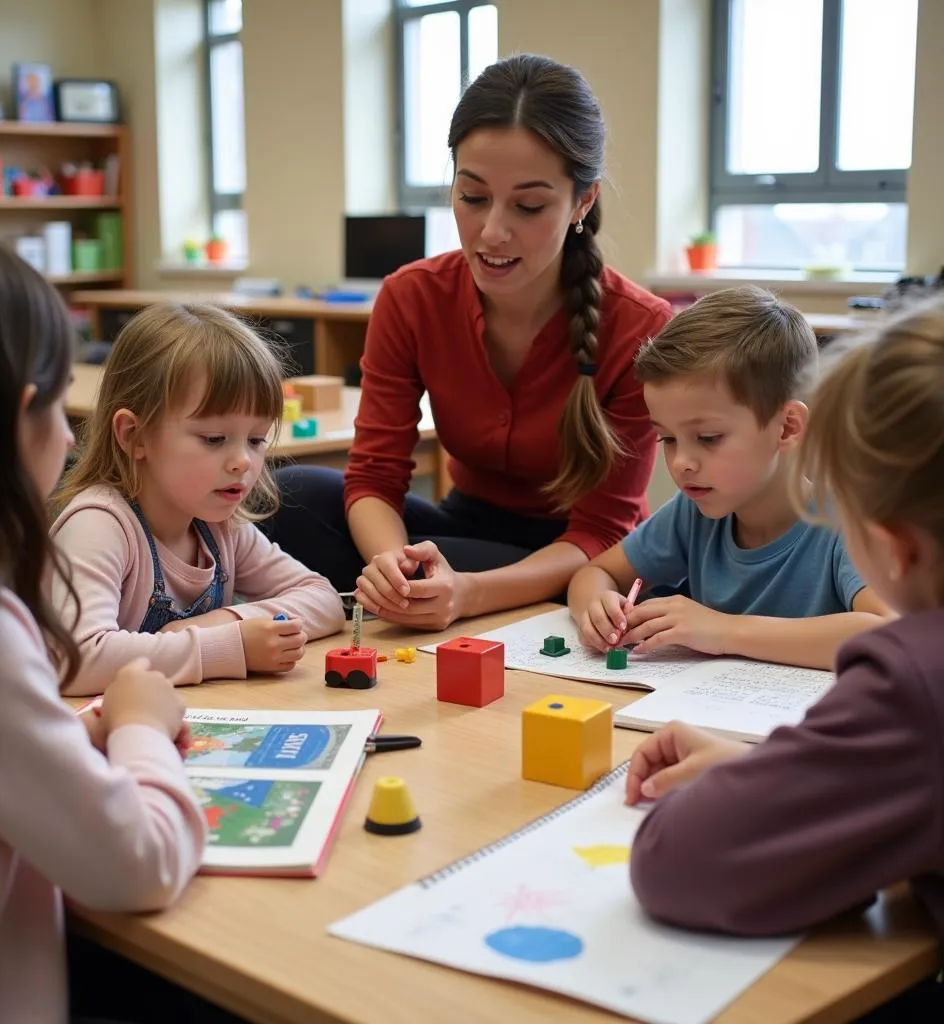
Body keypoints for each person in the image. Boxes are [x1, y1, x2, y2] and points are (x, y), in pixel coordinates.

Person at [266, 54, 672, 631]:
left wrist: (469, 594)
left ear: (582, 202)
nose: (493, 231)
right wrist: (389, 566)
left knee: (588, 588)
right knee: (292, 495)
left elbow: (603, 529)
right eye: (473, 197)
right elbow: (376, 477)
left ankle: (475, 605)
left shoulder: (639, 326)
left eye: (529, 206)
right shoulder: (411, 297)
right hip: (464, 532)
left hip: (581, 562)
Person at [0, 215, 207, 1022]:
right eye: (60, 409)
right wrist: (142, 725)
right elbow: (139, 864)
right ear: (22, 417)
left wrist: (73, 737)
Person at [626, 297, 944, 1020]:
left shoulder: (914, 676)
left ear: (890, 542)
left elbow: (677, 864)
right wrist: (770, 774)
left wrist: (759, 788)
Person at [567, 287, 890, 670]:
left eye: (708, 438)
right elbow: (595, 572)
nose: (682, 463)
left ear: (786, 428)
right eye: (667, 439)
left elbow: (889, 636)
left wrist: (724, 631)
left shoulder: (845, 521)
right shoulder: (694, 511)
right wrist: (598, 607)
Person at [51, 304, 343, 697]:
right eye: (214, 439)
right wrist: (231, 645)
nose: (243, 461)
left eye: (256, 440)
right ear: (134, 435)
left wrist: (222, 621)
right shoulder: (98, 524)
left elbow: (324, 599)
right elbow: (77, 659)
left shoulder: (219, 524)